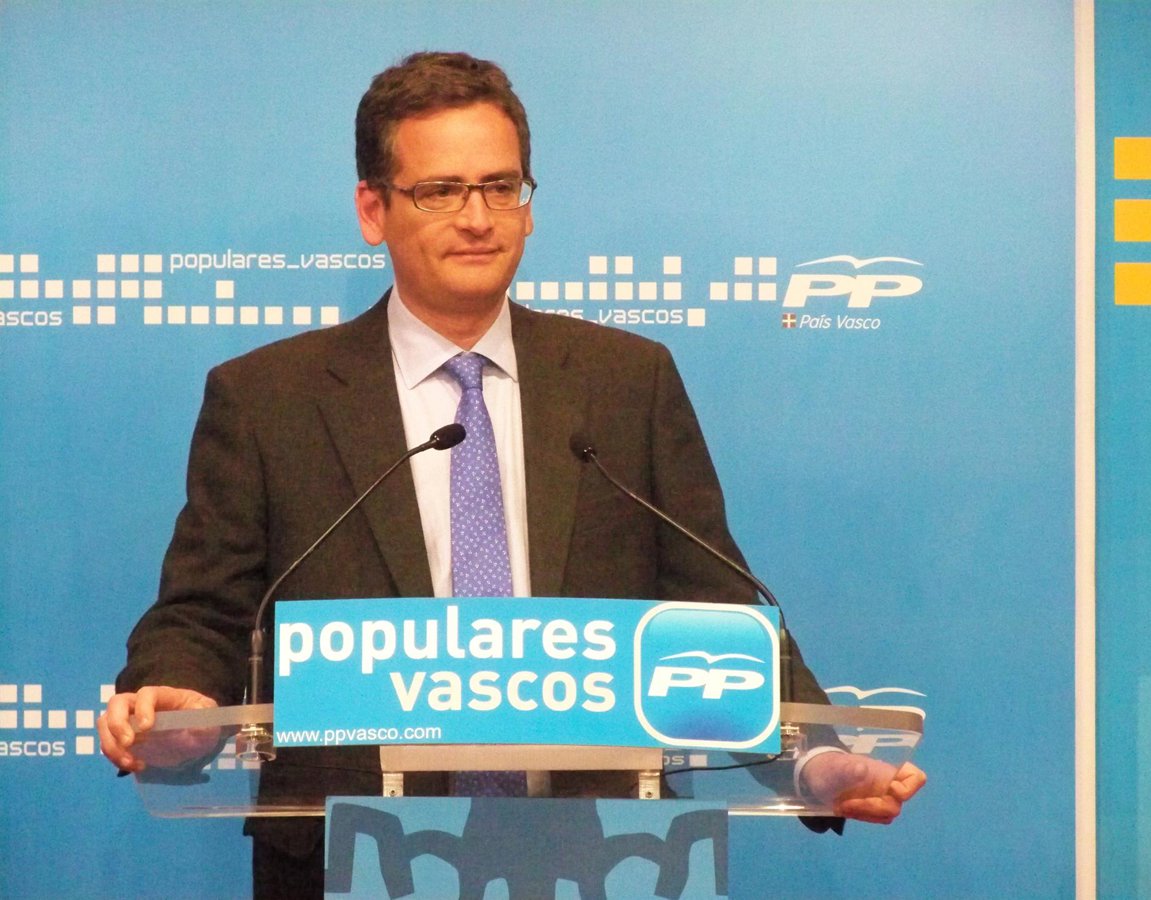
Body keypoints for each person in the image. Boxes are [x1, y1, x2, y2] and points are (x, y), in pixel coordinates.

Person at [98, 51, 924, 895]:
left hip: (601, 854)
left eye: (501, 187)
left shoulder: (625, 382)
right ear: (374, 210)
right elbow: (206, 611)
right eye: (441, 191)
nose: (478, 218)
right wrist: (177, 699)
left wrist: (815, 759)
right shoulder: (269, 398)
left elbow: (714, 612)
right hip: (354, 856)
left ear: (528, 207)